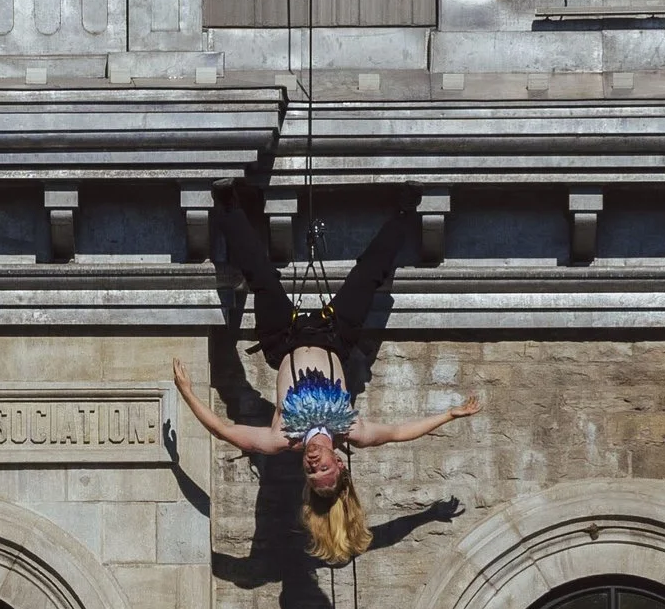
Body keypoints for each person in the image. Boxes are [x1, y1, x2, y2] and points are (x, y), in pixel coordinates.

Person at [172, 189, 478, 563]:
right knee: (367, 277)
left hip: (283, 339)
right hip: (335, 336)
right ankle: (405, 211)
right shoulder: (352, 430)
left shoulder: (282, 438)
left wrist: (188, 394)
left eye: (310, 470)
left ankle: (230, 206)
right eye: (323, 467)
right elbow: (400, 433)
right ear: (340, 463)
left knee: (263, 279)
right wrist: (449, 415)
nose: (313, 462)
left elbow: (224, 429)